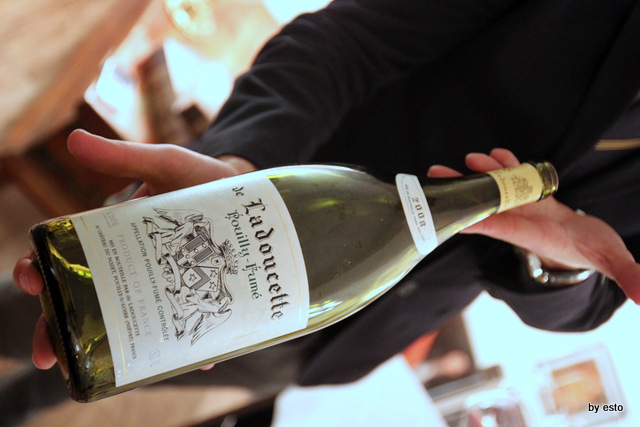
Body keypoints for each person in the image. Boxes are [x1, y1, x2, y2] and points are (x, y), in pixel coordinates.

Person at [7, 0, 640, 422]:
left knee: (88, 370)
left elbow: (596, 300)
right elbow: (347, 42)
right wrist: (239, 170)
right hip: (229, 213)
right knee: (25, 315)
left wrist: (563, 263)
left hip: (334, 337)